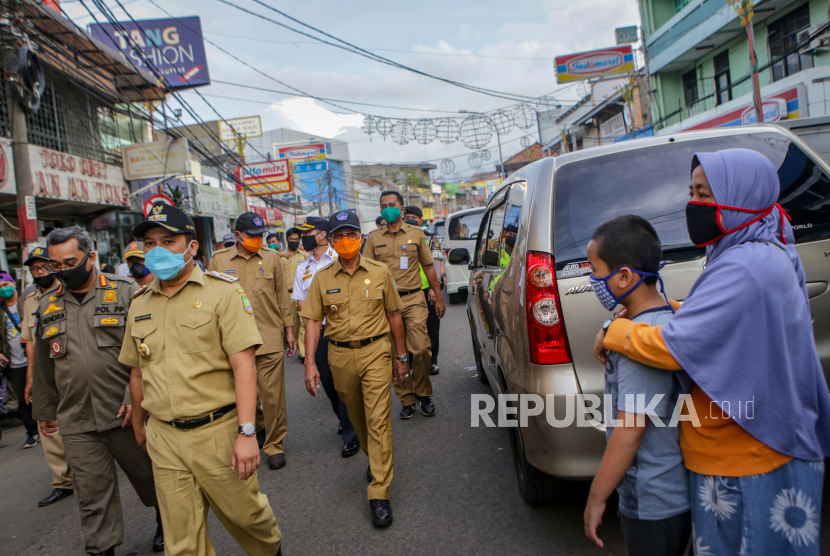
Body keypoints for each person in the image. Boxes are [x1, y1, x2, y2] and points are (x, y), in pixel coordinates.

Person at [595, 149, 830, 555]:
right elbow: (714, 318)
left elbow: (676, 347)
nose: (693, 205)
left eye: (704, 194)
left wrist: (616, 330)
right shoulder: (750, 250)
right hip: (745, 449)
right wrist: (656, 315)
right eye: (692, 192)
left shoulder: (745, 265)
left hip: (751, 456)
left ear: (741, 195)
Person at [120, 203, 282, 556]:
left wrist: (247, 432)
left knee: (249, 519)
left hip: (218, 435)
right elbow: (136, 370)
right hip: (165, 438)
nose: (157, 249)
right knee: (182, 543)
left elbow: (244, 367)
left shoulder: (222, 293)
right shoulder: (139, 303)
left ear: (192, 246)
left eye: (168, 240)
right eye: (149, 243)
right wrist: (139, 423)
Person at [31, 225, 162, 556]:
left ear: (91, 257)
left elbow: (149, 350)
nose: (62, 271)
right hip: (76, 418)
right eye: (55, 265)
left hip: (125, 410)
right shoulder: (47, 304)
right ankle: (101, 548)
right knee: (91, 492)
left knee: (151, 476)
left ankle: (167, 519)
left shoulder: (123, 292)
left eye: (70, 262)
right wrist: (45, 412)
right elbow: (46, 366)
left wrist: (138, 400)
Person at [582, 216, 690, 555]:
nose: (592, 280)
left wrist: (596, 497)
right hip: (673, 488)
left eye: (595, 270)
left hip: (654, 498)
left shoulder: (636, 344)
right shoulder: (664, 323)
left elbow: (630, 431)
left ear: (624, 276)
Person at [301, 210, 408, 526]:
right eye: (339, 236)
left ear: (360, 237)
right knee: (358, 418)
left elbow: (394, 316)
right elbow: (311, 323)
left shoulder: (379, 272)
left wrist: (400, 357)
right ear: (331, 242)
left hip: (376, 351)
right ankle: (374, 457)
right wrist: (309, 364)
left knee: (378, 420)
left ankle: (379, 491)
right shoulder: (322, 278)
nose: (346, 241)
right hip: (340, 357)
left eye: (351, 234)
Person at [209, 212, 296, 471]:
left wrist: (289, 330)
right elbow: (211, 302)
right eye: (252, 236)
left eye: (260, 236)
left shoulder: (271, 258)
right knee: (245, 394)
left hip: (267, 336)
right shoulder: (219, 260)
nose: (258, 240)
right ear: (237, 235)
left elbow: (281, 297)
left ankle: (274, 444)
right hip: (233, 342)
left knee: (272, 395)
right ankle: (259, 425)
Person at [363, 191, 445, 419]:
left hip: (413, 299)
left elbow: (429, 267)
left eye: (392, 204)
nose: (387, 208)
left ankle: (423, 393)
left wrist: (438, 297)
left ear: (401, 209)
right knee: (394, 354)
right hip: (385, 305)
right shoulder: (373, 238)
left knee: (420, 348)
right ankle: (406, 399)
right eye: (383, 206)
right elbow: (366, 272)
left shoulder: (416, 234)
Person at [293, 216, 358, 457]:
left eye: (306, 233)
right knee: (328, 382)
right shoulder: (303, 267)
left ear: (322, 235)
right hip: (318, 331)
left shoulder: (340, 258)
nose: (302, 239)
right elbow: (301, 302)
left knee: (344, 381)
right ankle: (344, 417)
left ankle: (350, 433)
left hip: (342, 328)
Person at [21, 247, 73, 507]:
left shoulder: (67, 290)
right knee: (49, 426)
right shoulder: (29, 299)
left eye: (45, 267)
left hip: (69, 368)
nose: (40, 272)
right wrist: (30, 378)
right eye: (35, 269)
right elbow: (30, 342)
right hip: (45, 369)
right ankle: (63, 481)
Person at [404, 206, 444, 375]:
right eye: (407, 217)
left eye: (413, 217)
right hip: (408, 291)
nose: (409, 220)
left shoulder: (429, 237)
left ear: (420, 220)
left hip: (428, 290)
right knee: (410, 329)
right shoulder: (399, 238)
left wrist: (435, 288)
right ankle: (412, 364)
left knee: (431, 327)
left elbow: (435, 263)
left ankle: (432, 361)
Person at [0, 271, 38, 450]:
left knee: (44, 392)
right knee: (23, 400)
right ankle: (32, 433)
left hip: (35, 358)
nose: (4, 289)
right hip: (14, 362)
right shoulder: (0, 311)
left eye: (5, 285)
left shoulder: (27, 303)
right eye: (0, 288)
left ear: (13, 284)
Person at [280, 227, 308, 361]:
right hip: (286, 296)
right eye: (291, 239)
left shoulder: (305, 257)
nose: (294, 241)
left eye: (296, 239)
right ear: (286, 240)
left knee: (304, 324)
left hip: (302, 295)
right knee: (293, 325)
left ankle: (304, 353)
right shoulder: (279, 257)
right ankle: (296, 345)